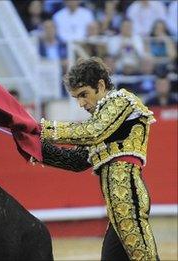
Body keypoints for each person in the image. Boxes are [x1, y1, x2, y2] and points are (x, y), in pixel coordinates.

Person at [40, 57, 159, 260]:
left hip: (127, 196)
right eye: (76, 97)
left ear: (101, 85)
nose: (81, 103)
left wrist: (42, 129)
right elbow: (75, 160)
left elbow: (93, 132)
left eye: (84, 94)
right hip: (116, 205)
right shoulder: (102, 123)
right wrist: (36, 147)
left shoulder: (122, 100)